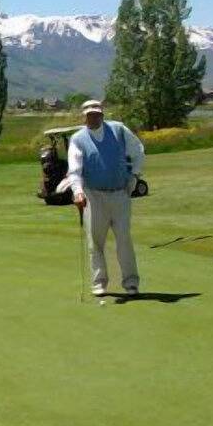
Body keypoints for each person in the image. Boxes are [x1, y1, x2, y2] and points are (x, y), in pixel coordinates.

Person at [67, 100, 145, 296]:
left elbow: (137, 151)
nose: (93, 118)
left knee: (124, 239)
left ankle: (131, 283)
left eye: (96, 114)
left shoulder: (119, 130)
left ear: (102, 115)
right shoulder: (78, 139)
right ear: (84, 117)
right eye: (89, 115)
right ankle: (99, 283)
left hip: (120, 193)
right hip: (93, 196)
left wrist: (135, 176)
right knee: (95, 242)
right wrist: (78, 192)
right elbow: (75, 170)